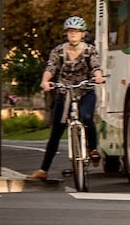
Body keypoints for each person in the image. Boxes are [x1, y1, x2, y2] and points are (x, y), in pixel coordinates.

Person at [27, 16, 106, 180]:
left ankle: (93, 149)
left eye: (76, 32)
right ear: (66, 33)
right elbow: (51, 67)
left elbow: (95, 66)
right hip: (65, 92)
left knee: (86, 117)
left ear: (82, 34)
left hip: (85, 92)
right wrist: (45, 81)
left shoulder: (89, 50)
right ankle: (43, 170)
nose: (73, 34)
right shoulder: (59, 51)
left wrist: (98, 77)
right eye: (70, 31)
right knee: (56, 131)